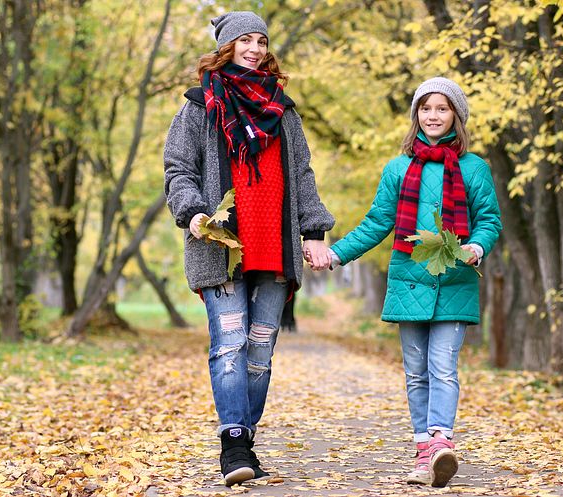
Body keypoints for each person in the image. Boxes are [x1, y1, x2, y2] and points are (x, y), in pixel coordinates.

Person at [163, 11, 334, 487]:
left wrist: (314, 230)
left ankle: (245, 441)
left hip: (274, 248)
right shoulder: (200, 107)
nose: (255, 48)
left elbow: (302, 174)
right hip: (220, 247)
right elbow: (178, 168)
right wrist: (193, 211)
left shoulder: (285, 110)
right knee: (230, 345)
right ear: (227, 47)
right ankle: (233, 444)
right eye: (245, 40)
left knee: (261, 350)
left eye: (261, 40)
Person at [329, 77, 502, 487]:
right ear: (416, 115)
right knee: (416, 373)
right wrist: (337, 254)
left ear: (456, 115)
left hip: (454, 280)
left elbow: (489, 220)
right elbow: (376, 224)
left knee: (442, 367)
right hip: (409, 283)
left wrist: (477, 246)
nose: (434, 116)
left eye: (442, 108)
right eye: (426, 108)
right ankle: (425, 453)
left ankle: (442, 441)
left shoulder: (474, 169)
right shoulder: (398, 168)